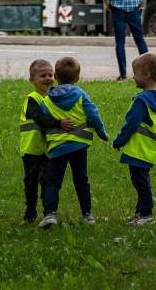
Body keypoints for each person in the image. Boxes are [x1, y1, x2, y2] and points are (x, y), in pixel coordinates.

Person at [38, 57, 110, 228]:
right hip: (79, 144)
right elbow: (93, 115)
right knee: (81, 179)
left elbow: (43, 122)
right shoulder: (80, 95)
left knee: (53, 182)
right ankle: (87, 215)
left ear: (56, 77)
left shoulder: (46, 100)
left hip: (57, 147)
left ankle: (50, 215)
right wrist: (102, 133)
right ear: (77, 77)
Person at [112, 53, 156, 226]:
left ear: (146, 75)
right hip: (151, 149)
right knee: (141, 180)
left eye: (135, 73)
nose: (133, 76)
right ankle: (139, 212)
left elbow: (130, 125)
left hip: (139, 150)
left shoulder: (141, 101)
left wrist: (118, 141)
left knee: (140, 182)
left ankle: (146, 214)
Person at [19, 59, 74, 224]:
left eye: (50, 75)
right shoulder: (32, 99)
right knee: (31, 181)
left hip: (48, 149)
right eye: (43, 75)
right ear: (32, 80)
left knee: (47, 181)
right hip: (31, 149)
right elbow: (40, 118)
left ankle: (48, 212)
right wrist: (59, 123)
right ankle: (30, 210)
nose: (48, 78)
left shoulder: (53, 98)